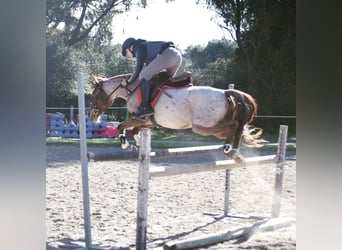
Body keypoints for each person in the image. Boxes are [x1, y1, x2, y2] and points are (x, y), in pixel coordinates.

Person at [121, 37, 182, 119]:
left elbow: (138, 70)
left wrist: (128, 82)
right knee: (166, 81)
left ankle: (145, 108)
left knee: (143, 75)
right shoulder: (146, 48)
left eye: (126, 52)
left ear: (130, 47)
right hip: (177, 56)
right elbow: (149, 68)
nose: (128, 56)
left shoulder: (139, 48)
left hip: (169, 54)